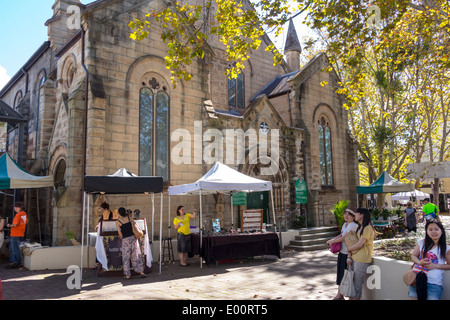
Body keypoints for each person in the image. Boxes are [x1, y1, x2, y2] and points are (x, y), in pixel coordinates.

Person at [408, 219, 450, 300]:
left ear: (441, 231)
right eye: (430, 229)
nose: (433, 232)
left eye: (436, 229)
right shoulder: (421, 242)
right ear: (427, 232)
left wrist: (435, 266)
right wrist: (419, 262)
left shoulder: (446, 248)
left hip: (434, 283)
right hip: (416, 280)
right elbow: (413, 255)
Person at [326, 207, 359, 300]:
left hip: (349, 253)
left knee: (346, 274)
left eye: (349, 214)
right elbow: (340, 235)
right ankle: (340, 294)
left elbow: (344, 237)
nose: (346, 216)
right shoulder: (345, 224)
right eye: (345, 214)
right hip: (342, 252)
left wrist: (333, 241)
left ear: (353, 217)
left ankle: (344, 294)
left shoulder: (353, 225)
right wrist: (332, 240)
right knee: (340, 274)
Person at [346, 207, 376, 300]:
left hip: (362, 259)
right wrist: (349, 255)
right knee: (352, 284)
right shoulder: (360, 227)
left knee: (357, 286)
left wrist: (349, 249)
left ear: (362, 215)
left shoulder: (367, 228)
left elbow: (359, 244)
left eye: (356, 213)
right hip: (355, 257)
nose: (354, 215)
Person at [115, 207, 146, 279]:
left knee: (126, 257)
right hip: (133, 238)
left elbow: (119, 233)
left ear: (119, 213)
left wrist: (121, 236)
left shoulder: (118, 221)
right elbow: (135, 224)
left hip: (126, 240)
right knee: (136, 255)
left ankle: (127, 274)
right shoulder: (129, 218)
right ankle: (141, 271)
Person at [6, 202, 28, 269]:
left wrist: (9, 225)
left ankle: (17, 263)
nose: (14, 208)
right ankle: (15, 262)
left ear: (19, 207)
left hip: (16, 234)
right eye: (14, 207)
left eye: (16, 207)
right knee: (12, 248)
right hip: (20, 233)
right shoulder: (24, 214)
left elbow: (15, 225)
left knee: (15, 249)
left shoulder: (18, 214)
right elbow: (25, 222)